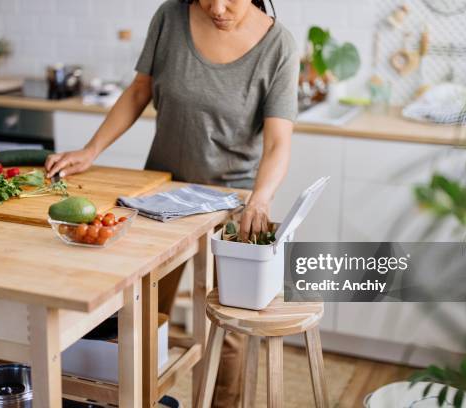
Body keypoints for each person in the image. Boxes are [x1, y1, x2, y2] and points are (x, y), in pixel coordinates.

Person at [45, 0, 298, 405]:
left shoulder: (278, 45)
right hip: (160, 198)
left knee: (226, 325)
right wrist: (92, 150)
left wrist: (260, 199)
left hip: (231, 203)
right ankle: (138, 397)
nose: (216, 8)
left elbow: (279, 141)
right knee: (141, 312)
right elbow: (139, 90)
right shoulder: (169, 18)